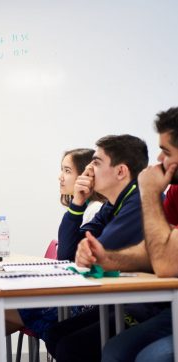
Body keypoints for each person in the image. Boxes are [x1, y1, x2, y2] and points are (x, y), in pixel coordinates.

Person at [0, 147, 105, 362]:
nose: (60, 176)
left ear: (85, 177)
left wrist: (76, 204)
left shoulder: (94, 209)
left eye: (67, 170)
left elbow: (67, 257)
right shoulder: (85, 208)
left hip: (82, 305)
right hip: (71, 296)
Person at [44, 134, 161, 362]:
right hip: (124, 300)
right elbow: (68, 254)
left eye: (96, 163)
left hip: (148, 306)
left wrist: (86, 253)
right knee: (55, 334)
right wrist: (77, 202)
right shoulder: (112, 205)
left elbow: (95, 255)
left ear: (120, 172)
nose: (88, 170)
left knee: (71, 346)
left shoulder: (138, 201)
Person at [75, 107, 178, 362]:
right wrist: (107, 258)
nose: (159, 159)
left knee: (151, 357)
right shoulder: (175, 194)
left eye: (166, 152)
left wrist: (150, 193)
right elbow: (156, 249)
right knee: (115, 350)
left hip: (162, 307)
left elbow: (165, 263)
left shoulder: (144, 196)